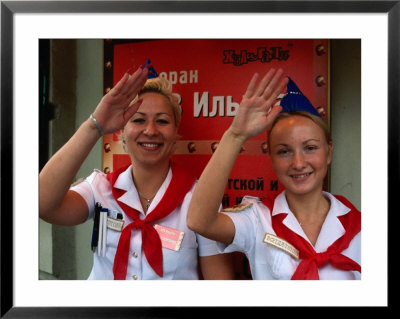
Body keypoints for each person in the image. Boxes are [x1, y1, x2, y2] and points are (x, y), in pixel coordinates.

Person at [39, 63, 235, 280]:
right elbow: (42, 203)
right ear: (122, 134)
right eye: (139, 120)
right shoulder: (100, 187)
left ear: (175, 136)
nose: (150, 130)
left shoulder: (199, 200)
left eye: (162, 121)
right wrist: (95, 127)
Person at [187, 69, 361, 280]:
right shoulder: (257, 219)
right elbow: (199, 221)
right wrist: (235, 135)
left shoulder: (361, 226)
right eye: (284, 151)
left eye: (310, 148)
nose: (298, 163)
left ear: (328, 152)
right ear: (271, 157)